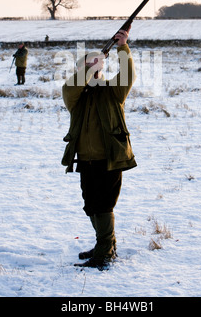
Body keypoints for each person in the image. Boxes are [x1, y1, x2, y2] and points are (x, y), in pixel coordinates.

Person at [61, 28, 137, 270]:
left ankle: (105, 252)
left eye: (97, 64)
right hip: (85, 159)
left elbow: (128, 75)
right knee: (91, 205)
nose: (94, 67)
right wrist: (88, 66)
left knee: (104, 205)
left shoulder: (113, 91)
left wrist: (123, 46)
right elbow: (72, 85)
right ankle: (105, 244)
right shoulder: (74, 94)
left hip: (111, 158)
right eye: (87, 65)